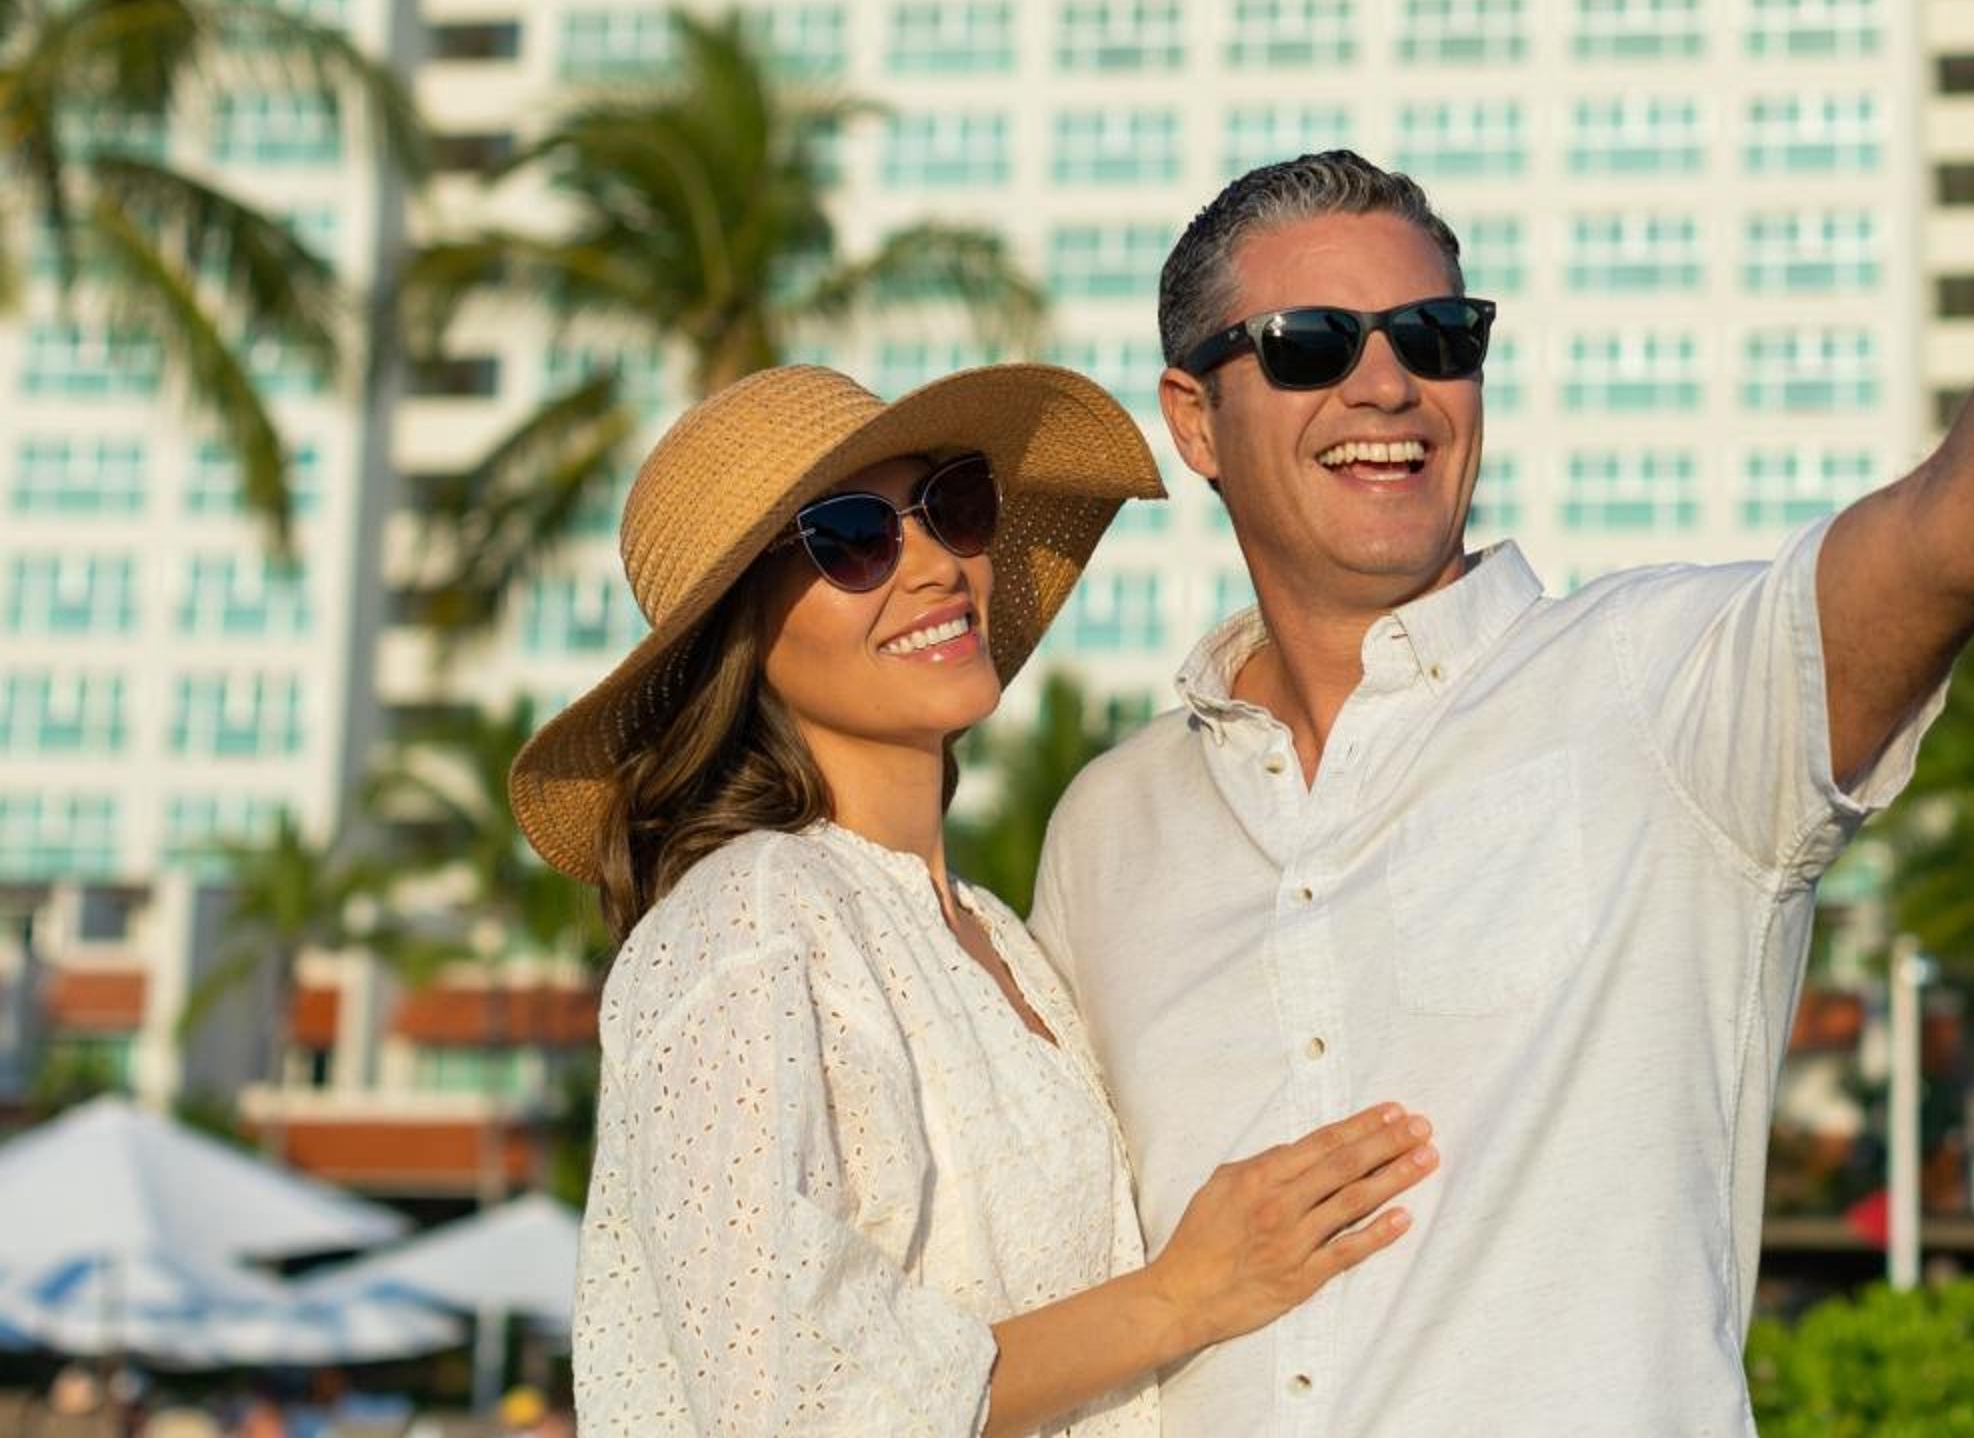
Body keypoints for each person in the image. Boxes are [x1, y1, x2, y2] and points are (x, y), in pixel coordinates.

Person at [1030, 0, 1974, 1430]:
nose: (1388, 386)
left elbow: (1960, 528)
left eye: (1438, 340)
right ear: (1197, 422)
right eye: (1313, 346)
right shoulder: (1107, 831)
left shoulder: (1662, 692)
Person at [509, 363, 1442, 1436]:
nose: (933, 563)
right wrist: (1188, 1290)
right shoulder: (751, 916)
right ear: (743, 630)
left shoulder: (996, 932)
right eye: (850, 535)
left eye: (950, 503)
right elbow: (785, 1397)